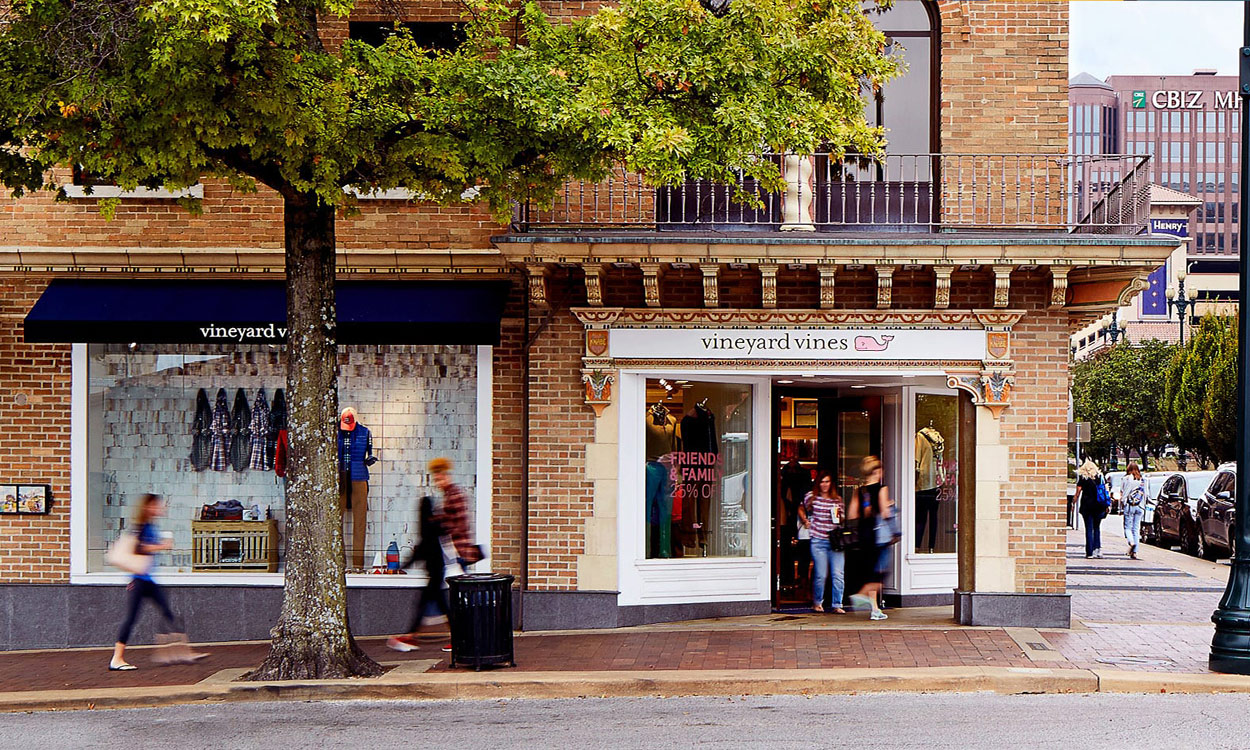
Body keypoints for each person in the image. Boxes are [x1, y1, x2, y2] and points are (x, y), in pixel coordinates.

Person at [110, 494, 207, 670]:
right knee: (131, 618)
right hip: (138, 581)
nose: (160, 508)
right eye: (156, 505)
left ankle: (183, 652)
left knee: (168, 612)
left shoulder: (150, 525)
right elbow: (139, 548)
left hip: (148, 580)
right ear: (148, 507)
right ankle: (117, 659)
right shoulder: (142, 526)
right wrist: (162, 545)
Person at [388, 494, 450, 653]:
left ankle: (410, 635)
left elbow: (421, 550)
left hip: (434, 573)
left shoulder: (427, 527)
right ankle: (458, 637)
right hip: (437, 571)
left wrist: (403, 566)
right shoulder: (434, 524)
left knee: (425, 606)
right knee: (440, 606)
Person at [847, 456, 893, 621]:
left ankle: (875, 609)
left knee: (871, 572)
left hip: (863, 534)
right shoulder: (882, 488)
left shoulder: (859, 491)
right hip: (878, 536)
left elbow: (852, 514)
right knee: (880, 575)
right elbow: (885, 513)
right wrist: (889, 504)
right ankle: (860, 595)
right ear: (877, 471)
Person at [798, 472, 845, 614]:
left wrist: (839, 516)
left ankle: (837, 604)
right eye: (822, 482)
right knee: (821, 574)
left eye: (827, 482)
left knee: (838, 574)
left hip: (835, 541)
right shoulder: (812, 497)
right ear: (818, 483)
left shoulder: (837, 500)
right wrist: (805, 520)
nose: (824, 485)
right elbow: (800, 507)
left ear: (831, 483)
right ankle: (817, 603)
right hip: (818, 539)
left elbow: (842, 519)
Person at [1074, 459, 1105, 559]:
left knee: (1088, 528)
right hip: (1098, 506)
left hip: (1087, 506)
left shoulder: (1083, 478)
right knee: (1097, 528)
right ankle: (1097, 550)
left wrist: (1073, 502)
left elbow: (1078, 492)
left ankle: (1089, 552)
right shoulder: (1099, 477)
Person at [1121, 462, 1146, 560]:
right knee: (1136, 528)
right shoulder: (1142, 479)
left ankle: (1131, 542)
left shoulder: (1126, 479)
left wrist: (1122, 505)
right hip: (1140, 506)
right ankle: (1135, 552)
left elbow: (1124, 494)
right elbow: (1145, 494)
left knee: (1127, 527)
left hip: (1130, 505)